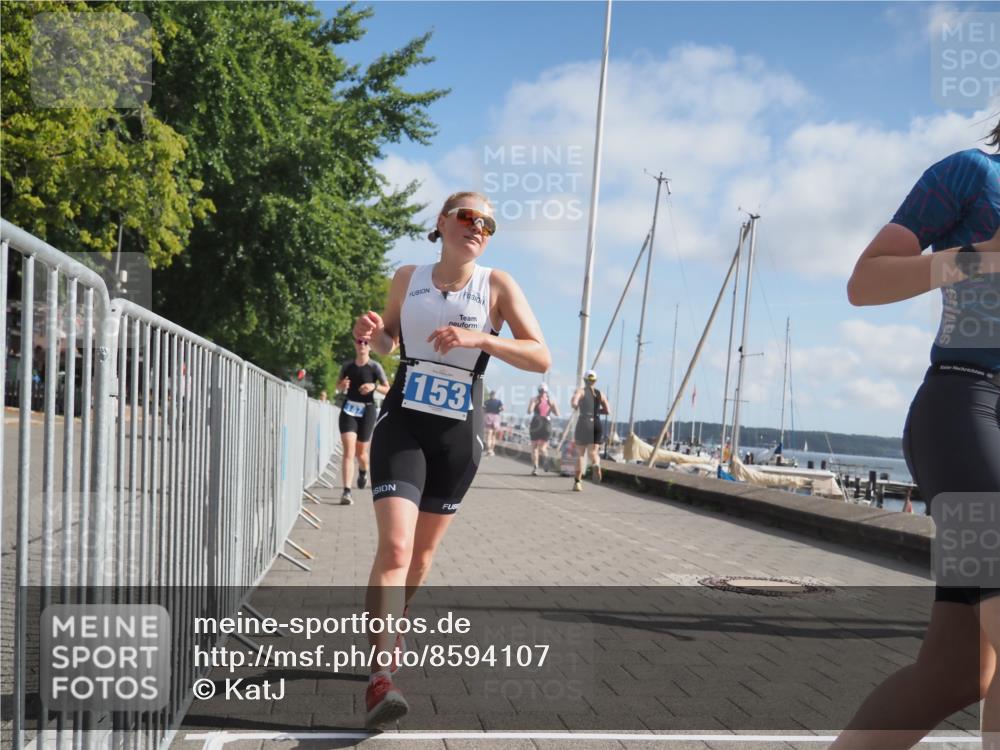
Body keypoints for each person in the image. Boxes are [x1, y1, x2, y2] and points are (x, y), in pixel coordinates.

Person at [353, 191, 550, 728]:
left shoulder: (497, 284)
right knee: (396, 547)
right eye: (468, 217)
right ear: (442, 222)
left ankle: (395, 615)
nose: (478, 227)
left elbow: (540, 355)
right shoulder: (407, 276)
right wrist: (371, 334)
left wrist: (481, 337)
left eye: (488, 224)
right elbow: (390, 339)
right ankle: (380, 677)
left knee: (419, 558)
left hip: (458, 434)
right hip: (403, 422)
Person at [833, 121, 1000, 749]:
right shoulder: (974, 175)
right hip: (967, 408)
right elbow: (865, 282)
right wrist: (981, 257)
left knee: (956, 672)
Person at [335, 337, 389, 504]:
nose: (362, 345)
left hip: (367, 410)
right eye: (359, 342)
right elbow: (338, 385)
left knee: (361, 453)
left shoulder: (375, 367)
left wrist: (374, 386)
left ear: (370, 347)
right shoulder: (347, 366)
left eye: (366, 343)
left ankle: (363, 471)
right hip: (349, 409)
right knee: (349, 451)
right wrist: (342, 385)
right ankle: (346, 492)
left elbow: (388, 389)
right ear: (355, 344)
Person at [570, 370, 610, 491]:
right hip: (596, 423)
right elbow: (608, 411)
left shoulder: (581, 391)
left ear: (584, 380)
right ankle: (596, 464)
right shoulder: (600, 394)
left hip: (584, 422)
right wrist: (596, 411)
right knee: (593, 453)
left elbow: (574, 402)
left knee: (580, 454)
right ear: (595, 381)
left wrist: (577, 406)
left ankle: (578, 482)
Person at [528, 382, 559, 475]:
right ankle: (544, 461)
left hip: (536, 423)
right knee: (543, 447)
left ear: (538, 391)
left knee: (534, 447)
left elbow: (529, 411)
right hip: (546, 424)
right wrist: (550, 406)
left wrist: (533, 403)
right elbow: (557, 413)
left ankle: (535, 468)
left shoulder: (534, 400)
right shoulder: (551, 400)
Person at [482, 390, 504, 456]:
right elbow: (503, 408)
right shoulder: (499, 401)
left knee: (489, 435)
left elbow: (483, 409)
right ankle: (492, 450)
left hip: (488, 416)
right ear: (495, 395)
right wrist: (498, 410)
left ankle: (489, 450)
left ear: (490, 395)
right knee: (494, 436)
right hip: (496, 417)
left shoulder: (487, 401)